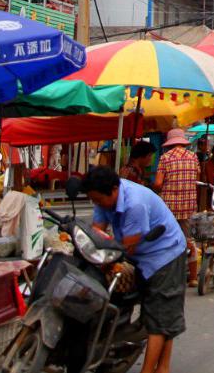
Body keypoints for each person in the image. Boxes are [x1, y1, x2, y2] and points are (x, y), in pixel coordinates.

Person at [84, 165, 187, 373]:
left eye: (98, 199)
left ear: (113, 190)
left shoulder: (135, 204)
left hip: (164, 255)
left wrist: (104, 259)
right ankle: (162, 367)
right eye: (93, 200)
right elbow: (97, 233)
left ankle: (150, 370)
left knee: (160, 316)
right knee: (161, 314)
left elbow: (127, 245)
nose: (97, 204)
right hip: (140, 255)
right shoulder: (102, 198)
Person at [153, 128, 200, 284]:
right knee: (189, 240)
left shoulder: (165, 158)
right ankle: (193, 278)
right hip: (189, 205)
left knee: (168, 240)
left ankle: (171, 277)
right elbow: (197, 178)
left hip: (169, 207)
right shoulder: (193, 157)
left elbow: (158, 183)